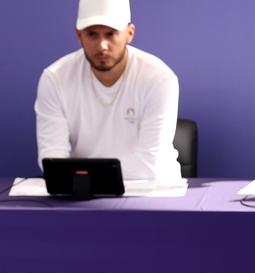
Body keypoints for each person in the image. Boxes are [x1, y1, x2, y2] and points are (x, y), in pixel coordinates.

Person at [35, 0, 182, 184]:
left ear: (129, 34)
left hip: (151, 192)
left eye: (111, 34)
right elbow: (52, 158)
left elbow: (151, 162)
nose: (102, 45)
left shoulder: (159, 79)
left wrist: (83, 176)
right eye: (92, 34)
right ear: (79, 35)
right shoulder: (55, 79)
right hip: (80, 195)